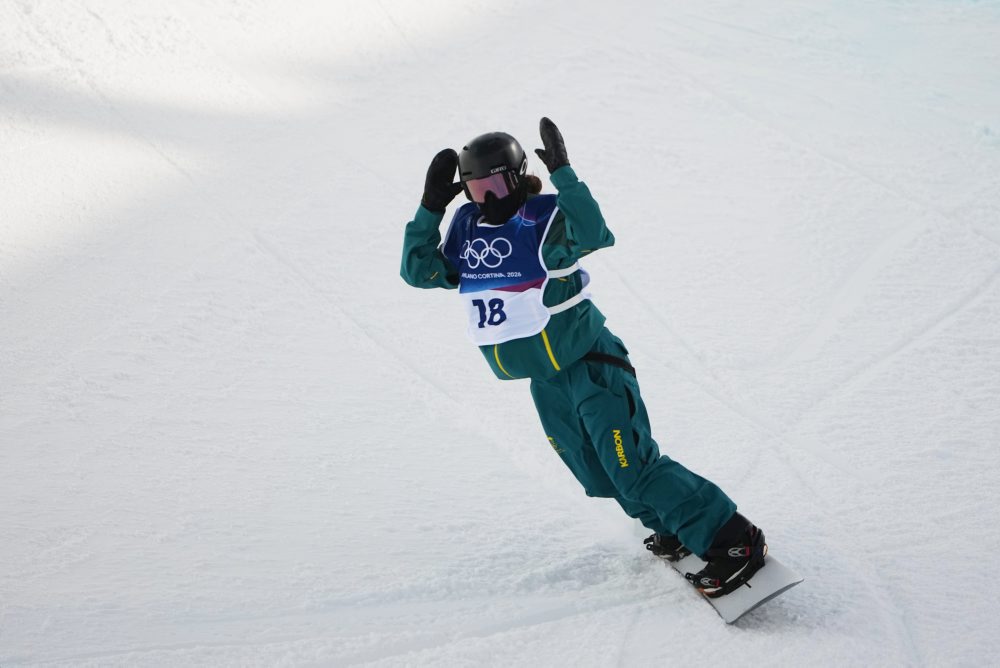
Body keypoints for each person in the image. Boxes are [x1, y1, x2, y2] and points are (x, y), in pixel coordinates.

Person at [399, 117, 766, 598]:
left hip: (590, 364)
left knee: (631, 464)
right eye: (475, 189)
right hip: (544, 381)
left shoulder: (543, 219)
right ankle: (672, 524)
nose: (486, 199)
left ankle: (733, 540)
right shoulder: (468, 233)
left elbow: (595, 233)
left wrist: (565, 175)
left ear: (515, 177)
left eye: (494, 185)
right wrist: (430, 209)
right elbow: (419, 272)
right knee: (597, 473)